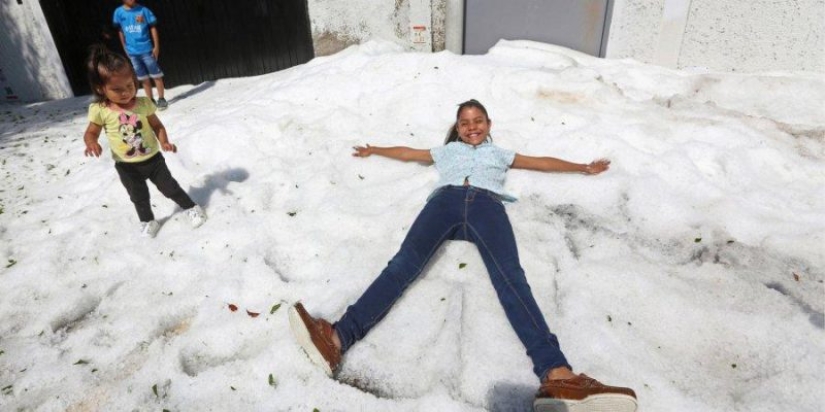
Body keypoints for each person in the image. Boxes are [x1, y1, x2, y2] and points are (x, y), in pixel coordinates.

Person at [288, 99, 637, 412]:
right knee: (402, 265)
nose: (472, 126)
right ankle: (334, 339)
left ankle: (558, 374)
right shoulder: (447, 152)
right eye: (465, 122)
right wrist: (375, 149)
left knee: (511, 278)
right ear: (457, 128)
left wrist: (582, 167)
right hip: (444, 202)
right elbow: (409, 152)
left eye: (478, 120)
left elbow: (540, 162)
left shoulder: (499, 154)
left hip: (487, 206)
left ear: (489, 124)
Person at [82, 45, 206, 238]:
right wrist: (91, 142)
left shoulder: (143, 104)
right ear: (101, 88)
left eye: (130, 85)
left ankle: (191, 207)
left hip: (153, 161)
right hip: (126, 166)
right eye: (117, 89)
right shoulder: (100, 109)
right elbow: (91, 132)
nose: (125, 92)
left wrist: (164, 141)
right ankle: (148, 221)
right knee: (138, 197)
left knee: (170, 188)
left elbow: (157, 126)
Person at [113, 0, 168, 110]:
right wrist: (125, 48)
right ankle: (150, 100)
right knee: (143, 78)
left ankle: (161, 99)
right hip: (132, 52)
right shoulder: (118, 13)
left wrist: (156, 46)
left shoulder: (144, 10)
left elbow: (153, 28)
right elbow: (120, 30)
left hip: (147, 50)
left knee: (156, 75)